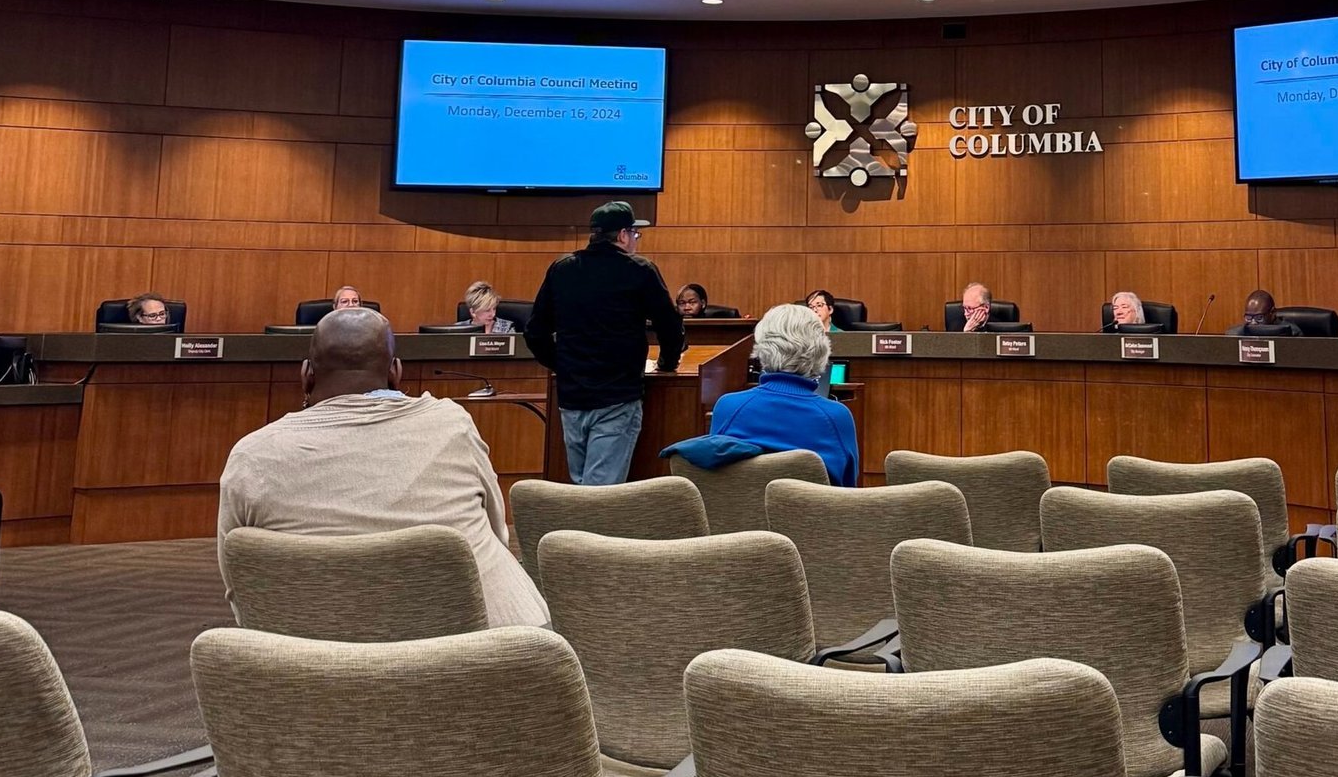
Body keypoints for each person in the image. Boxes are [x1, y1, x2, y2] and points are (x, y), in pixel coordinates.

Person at [217, 308, 548, 628]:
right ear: (395, 373)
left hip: (313, 663)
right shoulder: (452, 425)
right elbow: (497, 534)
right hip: (490, 655)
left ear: (306, 375)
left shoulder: (252, 455)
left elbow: (240, 585)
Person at [524, 201, 684, 486]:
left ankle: (575, 531)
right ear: (623, 235)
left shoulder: (562, 269)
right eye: (635, 234)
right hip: (617, 397)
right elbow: (670, 328)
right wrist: (667, 364)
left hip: (572, 400)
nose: (636, 240)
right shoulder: (640, 270)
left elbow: (535, 332)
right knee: (600, 495)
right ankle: (581, 531)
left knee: (583, 484)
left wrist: (563, 365)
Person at [710, 303, 859, 486]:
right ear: (821, 351)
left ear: (761, 348)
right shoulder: (836, 417)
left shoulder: (728, 407)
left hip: (740, 514)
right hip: (812, 514)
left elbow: (716, 482)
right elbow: (847, 493)